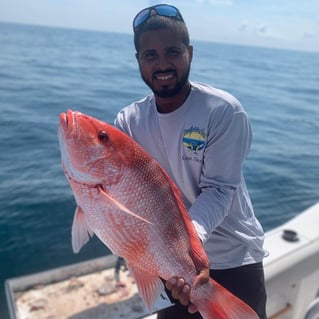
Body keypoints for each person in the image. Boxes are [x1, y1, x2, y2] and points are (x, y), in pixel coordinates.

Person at [114, 4, 267, 319]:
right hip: (169, 264)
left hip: (233, 258)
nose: (162, 64)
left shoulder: (222, 110)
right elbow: (128, 197)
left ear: (190, 53)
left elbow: (220, 189)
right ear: (138, 61)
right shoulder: (128, 121)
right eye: (150, 55)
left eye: (172, 51)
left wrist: (187, 246)